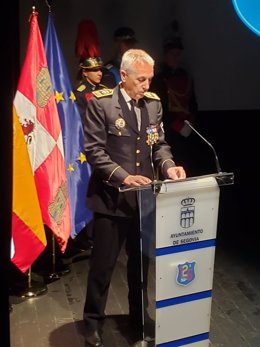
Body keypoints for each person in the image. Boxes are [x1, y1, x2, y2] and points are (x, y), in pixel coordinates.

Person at [82, 48, 186, 347]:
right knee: (102, 267)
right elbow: (94, 151)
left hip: (144, 202)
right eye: (141, 79)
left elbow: (159, 145)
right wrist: (123, 176)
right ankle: (92, 323)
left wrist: (168, 166)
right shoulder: (102, 104)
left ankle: (138, 317)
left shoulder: (152, 106)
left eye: (149, 79)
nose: (146, 85)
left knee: (140, 267)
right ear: (124, 76)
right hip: (111, 201)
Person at [151, 37, 199, 176]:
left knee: (188, 165)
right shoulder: (159, 80)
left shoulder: (186, 76)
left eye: (178, 54)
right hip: (169, 130)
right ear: (166, 55)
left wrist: (191, 123)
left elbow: (192, 103)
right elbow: (160, 106)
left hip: (187, 128)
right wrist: (177, 125)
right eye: (173, 54)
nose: (176, 57)